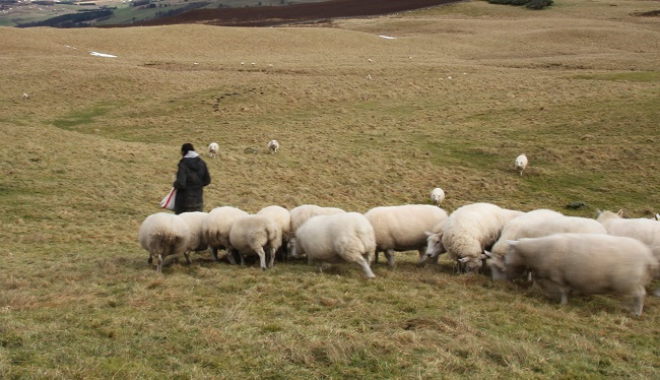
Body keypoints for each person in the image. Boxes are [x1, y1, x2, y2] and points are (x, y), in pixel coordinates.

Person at [173, 143, 211, 214]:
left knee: (182, 223)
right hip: (198, 201)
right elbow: (207, 180)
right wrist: (197, 185)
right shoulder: (202, 163)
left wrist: (175, 184)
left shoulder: (183, 164)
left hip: (184, 202)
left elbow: (181, 184)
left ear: (183, 152)